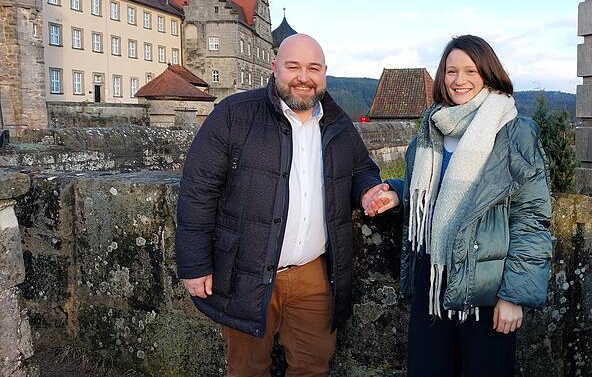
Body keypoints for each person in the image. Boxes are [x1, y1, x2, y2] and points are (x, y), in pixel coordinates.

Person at [175, 33, 387, 377]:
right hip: (246, 269)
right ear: (275, 68)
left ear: (324, 73)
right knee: (247, 368)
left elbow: (362, 168)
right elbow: (198, 189)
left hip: (311, 274)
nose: (304, 77)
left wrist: (367, 192)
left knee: (312, 365)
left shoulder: (337, 123)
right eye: (294, 66)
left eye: (313, 68)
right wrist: (194, 263)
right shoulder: (235, 114)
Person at [366, 35, 553, 377]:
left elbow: (531, 217)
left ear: (488, 73)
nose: (459, 80)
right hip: (432, 280)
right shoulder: (431, 128)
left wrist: (514, 296)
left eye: (470, 70)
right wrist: (397, 191)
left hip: (486, 284)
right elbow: (434, 194)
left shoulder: (514, 132)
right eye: (451, 71)